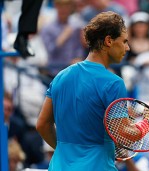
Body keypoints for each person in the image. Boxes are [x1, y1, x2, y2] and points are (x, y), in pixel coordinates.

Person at [36, 11, 132, 170]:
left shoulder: (61, 76)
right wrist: (147, 123)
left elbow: (42, 125)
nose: (127, 48)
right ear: (109, 41)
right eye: (124, 41)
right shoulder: (114, 83)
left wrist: (65, 151)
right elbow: (124, 136)